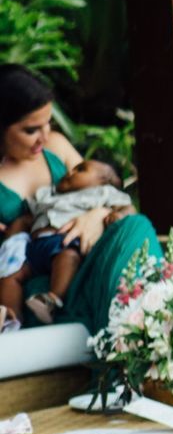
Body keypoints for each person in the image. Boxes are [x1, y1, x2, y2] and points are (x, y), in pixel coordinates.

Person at [0, 66, 159, 332]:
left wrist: (95, 216)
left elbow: (103, 186)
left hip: (87, 252)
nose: (45, 136)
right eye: (31, 130)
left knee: (137, 227)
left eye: (48, 123)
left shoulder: (56, 147)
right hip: (40, 284)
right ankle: (138, 339)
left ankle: (152, 329)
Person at [1, 158, 135, 324]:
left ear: (105, 182)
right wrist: (11, 239)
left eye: (81, 169)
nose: (70, 172)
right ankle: (10, 317)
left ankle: (51, 300)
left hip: (65, 242)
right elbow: (26, 218)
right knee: (11, 276)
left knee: (68, 258)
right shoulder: (48, 195)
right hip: (35, 247)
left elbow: (128, 208)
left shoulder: (103, 193)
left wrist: (118, 215)